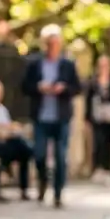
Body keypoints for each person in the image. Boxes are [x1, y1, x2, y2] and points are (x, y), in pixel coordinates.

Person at [21, 24, 83, 207]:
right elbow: (24, 87)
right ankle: (42, 182)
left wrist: (63, 88)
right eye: (49, 43)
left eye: (56, 43)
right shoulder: (35, 64)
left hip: (61, 117)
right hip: (41, 117)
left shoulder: (67, 65)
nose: (52, 47)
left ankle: (57, 193)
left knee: (60, 156)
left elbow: (78, 87)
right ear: (45, 44)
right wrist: (39, 87)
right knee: (39, 154)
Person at [84, 55, 110, 185]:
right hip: (97, 115)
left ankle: (108, 169)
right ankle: (97, 168)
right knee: (98, 142)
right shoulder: (93, 80)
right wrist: (87, 117)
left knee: (108, 143)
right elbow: (88, 99)